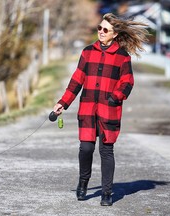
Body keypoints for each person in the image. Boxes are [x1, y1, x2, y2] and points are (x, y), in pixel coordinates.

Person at [53, 13, 149, 206]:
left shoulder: (122, 57)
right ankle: (83, 182)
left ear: (114, 34)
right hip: (87, 108)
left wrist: (114, 98)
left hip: (109, 111)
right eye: (99, 28)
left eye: (105, 30)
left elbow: (127, 82)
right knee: (86, 148)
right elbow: (77, 79)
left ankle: (106, 193)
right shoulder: (88, 52)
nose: (101, 32)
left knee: (106, 151)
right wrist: (63, 103)